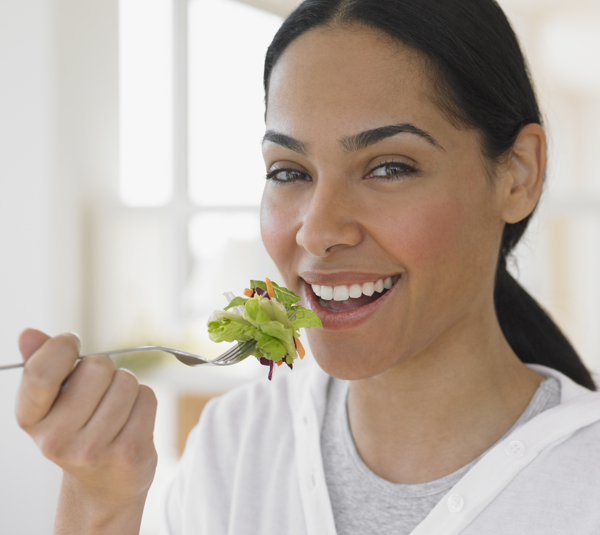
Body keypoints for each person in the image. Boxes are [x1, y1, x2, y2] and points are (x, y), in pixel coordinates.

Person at [15, 0, 600, 533]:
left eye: (389, 167)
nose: (317, 232)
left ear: (518, 173)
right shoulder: (235, 447)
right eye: (289, 172)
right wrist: (100, 506)